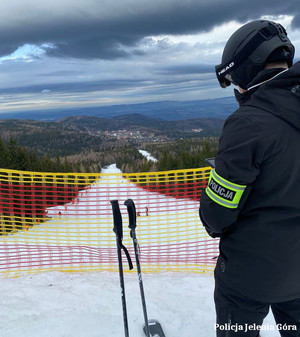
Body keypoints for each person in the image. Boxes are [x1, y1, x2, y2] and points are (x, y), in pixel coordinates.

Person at [199, 19, 300, 337]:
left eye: (233, 80)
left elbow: (217, 213)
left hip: (248, 277)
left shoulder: (248, 124)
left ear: (245, 70)